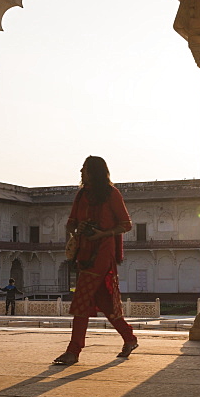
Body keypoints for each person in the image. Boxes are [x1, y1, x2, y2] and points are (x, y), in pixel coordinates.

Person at [53, 156, 138, 365]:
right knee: (104, 302)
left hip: (101, 253)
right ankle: (130, 338)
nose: (81, 172)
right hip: (84, 252)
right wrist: (78, 229)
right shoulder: (82, 195)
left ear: (95, 172)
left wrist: (102, 233)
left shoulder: (111, 194)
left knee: (81, 300)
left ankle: (73, 351)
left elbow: (126, 224)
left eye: (85, 169)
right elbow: (70, 224)